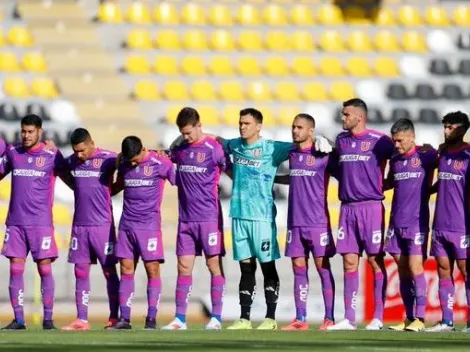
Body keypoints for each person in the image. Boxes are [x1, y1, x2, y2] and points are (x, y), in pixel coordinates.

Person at [214, 108, 332, 330]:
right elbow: (218, 140)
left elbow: (303, 146)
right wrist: (182, 141)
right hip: (239, 215)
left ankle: (270, 318)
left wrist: (322, 139)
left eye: (247, 123)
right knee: (246, 268)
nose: (242, 127)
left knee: (267, 267)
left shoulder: (273, 148)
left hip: (262, 217)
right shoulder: (236, 145)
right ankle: (244, 318)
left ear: (259, 126)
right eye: (240, 123)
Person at [327, 99, 395, 331]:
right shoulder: (341, 140)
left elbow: (401, 159)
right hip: (347, 208)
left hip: (371, 207)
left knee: (375, 261)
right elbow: (337, 169)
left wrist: (387, 183)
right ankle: (349, 318)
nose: (343, 118)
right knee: (348, 262)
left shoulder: (380, 141)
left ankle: (377, 317)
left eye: (346, 114)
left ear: (359, 117)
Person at [0, 114, 72, 330]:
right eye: (23, 131)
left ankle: (48, 319)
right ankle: (19, 320)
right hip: (16, 223)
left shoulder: (52, 154)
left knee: (45, 269)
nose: (26, 135)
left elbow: (71, 180)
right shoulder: (13, 153)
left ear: (40, 132)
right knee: (15, 269)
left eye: (30, 132)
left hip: (41, 224)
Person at [161, 107, 228, 331]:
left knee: (213, 265)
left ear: (199, 125)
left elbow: (233, 170)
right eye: (183, 132)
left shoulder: (213, 148)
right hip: (186, 219)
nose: (186, 136)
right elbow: (165, 156)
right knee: (183, 267)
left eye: (189, 132)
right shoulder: (179, 148)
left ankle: (217, 317)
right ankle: (180, 319)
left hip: (209, 218)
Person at [276, 114, 337, 331]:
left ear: (311, 131)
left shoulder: (323, 153)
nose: (295, 131)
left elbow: (344, 163)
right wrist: (273, 178)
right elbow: (295, 177)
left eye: (299, 127)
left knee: (322, 267)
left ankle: (329, 318)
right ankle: (300, 319)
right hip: (295, 222)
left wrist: (327, 141)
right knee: (298, 267)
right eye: (293, 127)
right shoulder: (292, 152)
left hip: (318, 222)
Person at [111, 136, 175, 330]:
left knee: (152, 270)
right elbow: (118, 184)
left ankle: (151, 318)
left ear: (143, 149)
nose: (132, 163)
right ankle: (125, 319)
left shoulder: (160, 162)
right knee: (125, 270)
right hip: (126, 225)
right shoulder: (124, 162)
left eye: (135, 158)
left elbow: (180, 180)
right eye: (129, 159)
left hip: (149, 227)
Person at [60, 128, 120, 331]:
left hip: (102, 225)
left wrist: (114, 189)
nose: (79, 155)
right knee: (80, 271)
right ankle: (81, 319)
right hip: (80, 225)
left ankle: (114, 317)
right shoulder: (71, 161)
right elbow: (62, 171)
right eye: (76, 151)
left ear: (91, 143)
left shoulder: (109, 158)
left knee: (109, 271)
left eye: (82, 150)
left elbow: (129, 165)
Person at [383, 119, 438, 332]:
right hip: (395, 222)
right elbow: (389, 183)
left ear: (412, 137)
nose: (396, 145)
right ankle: (409, 317)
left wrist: (431, 190)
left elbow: (449, 170)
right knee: (403, 269)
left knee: (416, 267)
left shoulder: (427, 155)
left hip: (417, 223)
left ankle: (421, 319)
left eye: (400, 140)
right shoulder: (395, 159)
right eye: (394, 140)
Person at [425, 111, 470, 332]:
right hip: (440, 223)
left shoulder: (469, 154)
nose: (445, 131)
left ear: (462, 129)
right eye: (444, 126)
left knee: (466, 270)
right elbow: (442, 183)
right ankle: (447, 320)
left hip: (462, 224)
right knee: (443, 270)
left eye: (450, 127)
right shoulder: (441, 154)